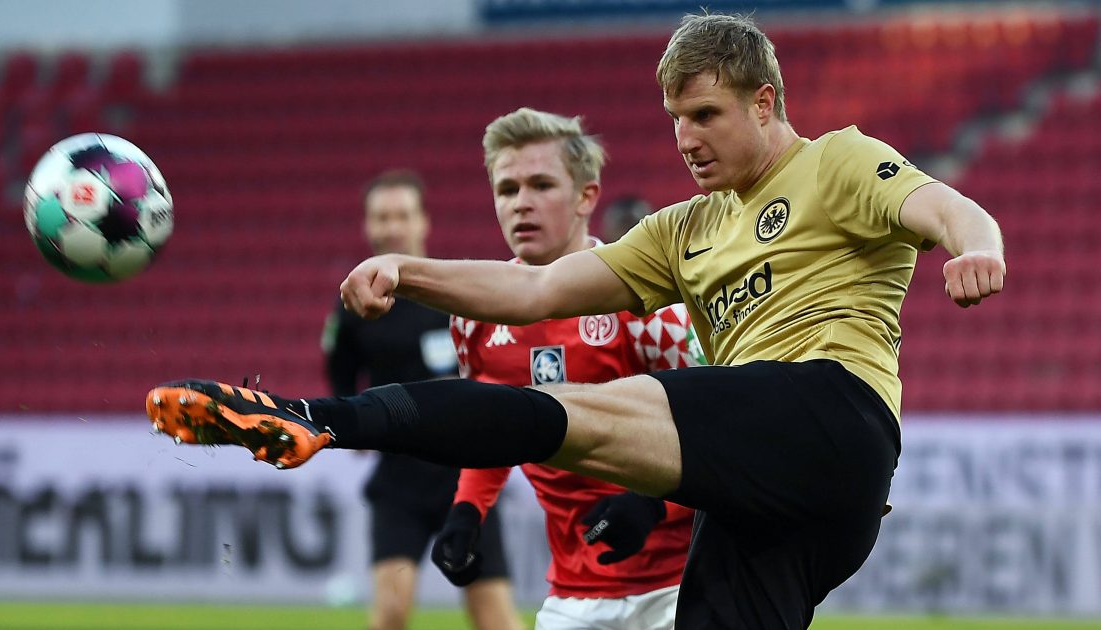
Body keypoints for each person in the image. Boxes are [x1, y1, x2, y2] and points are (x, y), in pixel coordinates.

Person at [146, 13, 1006, 629]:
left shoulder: (836, 163)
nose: (686, 139)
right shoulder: (683, 230)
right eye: (675, 121)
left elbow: (950, 210)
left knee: (573, 415)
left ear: (765, 101)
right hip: (776, 504)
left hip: (832, 413)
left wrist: (975, 249)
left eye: (705, 115)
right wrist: (408, 270)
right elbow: (532, 293)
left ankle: (310, 420)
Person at [429, 108, 700, 630]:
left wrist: (652, 503)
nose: (521, 203)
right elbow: (495, 426)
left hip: (682, 582)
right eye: (507, 189)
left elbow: (712, 427)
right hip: (574, 593)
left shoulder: (649, 305)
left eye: (541, 184)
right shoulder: (474, 316)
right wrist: (467, 511)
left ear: (586, 197)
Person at [321, 170, 524, 630]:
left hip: (466, 475)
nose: (392, 226)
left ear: (423, 222)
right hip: (399, 482)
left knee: (494, 619)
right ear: (367, 226)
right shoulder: (354, 303)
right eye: (381, 217)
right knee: (390, 614)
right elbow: (340, 373)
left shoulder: (454, 289)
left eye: (402, 215)